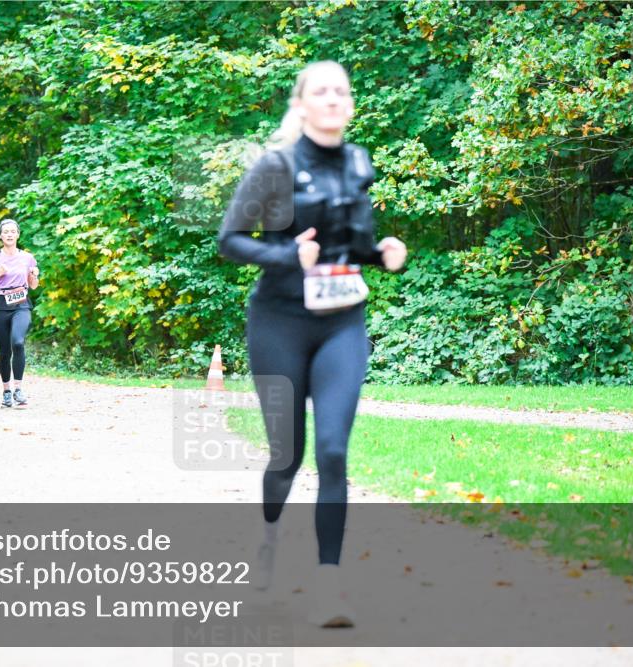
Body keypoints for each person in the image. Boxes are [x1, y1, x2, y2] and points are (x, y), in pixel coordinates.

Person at [218, 60, 407, 628]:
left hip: (341, 322)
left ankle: (329, 585)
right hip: (278, 321)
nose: (332, 99)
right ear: (301, 105)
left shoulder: (357, 163)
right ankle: (269, 539)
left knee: (333, 451)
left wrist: (383, 254)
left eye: (340, 91)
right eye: (320, 91)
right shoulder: (276, 166)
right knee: (287, 455)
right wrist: (286, 255)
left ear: (350, 105)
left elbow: (351, 245)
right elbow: (230, 240)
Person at [0, 219, 39, 408]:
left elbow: (33, 286)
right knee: (5, 350)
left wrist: (34, 275)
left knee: (18, 342)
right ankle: (6, 391)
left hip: (21, 303)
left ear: (18, 235)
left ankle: (18, 389)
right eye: (6, 232)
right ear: (0, 235)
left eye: (13, 231)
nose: (10, 234)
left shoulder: (27, 257)